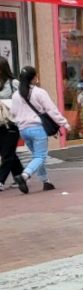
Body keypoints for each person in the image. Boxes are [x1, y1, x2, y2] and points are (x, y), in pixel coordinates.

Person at [10, 66, 70, 192]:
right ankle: (24, 175)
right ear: (33, 78)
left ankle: (45, 181)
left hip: (23, 130)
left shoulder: (16, 95)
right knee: (40, 156)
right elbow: (51, 110)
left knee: (36, 156)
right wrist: (63, 122)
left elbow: (13, 113)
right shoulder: (39, 92)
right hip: (37, 129)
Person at [0, 58, 24, 193]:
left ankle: (0, 180)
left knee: (7, 155)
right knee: (8, 153)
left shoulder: (13, 83)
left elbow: (23, 100)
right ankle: (20, 175)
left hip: (11, 123)